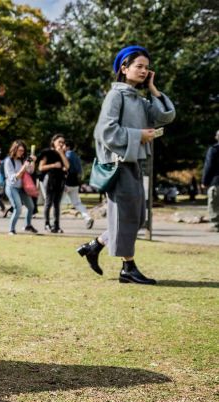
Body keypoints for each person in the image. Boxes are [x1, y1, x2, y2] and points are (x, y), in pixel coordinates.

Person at [76, 45, 175, 285]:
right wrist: (138, 135)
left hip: (133, 163)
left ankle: (94, 245)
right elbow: (105, 131)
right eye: (138, 66)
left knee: (137, 216)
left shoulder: (140, 100)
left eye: (146, 68)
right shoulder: (115, 95)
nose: (143, 71)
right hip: (118, 165)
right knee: (127, 216)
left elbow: (166, 116)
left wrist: (153, 89)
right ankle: (127, 268)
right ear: (124, 68)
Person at [3, 140, 38, 235]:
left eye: (23, 151)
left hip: (22, 187)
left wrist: (32, 162)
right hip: (12, 187)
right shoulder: (8, 161)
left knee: (31, 207)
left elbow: (30, 171)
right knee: (18, 208)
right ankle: (11, 230)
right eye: (20, 150)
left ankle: (27, 225)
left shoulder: (23, 160)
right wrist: (24, 167)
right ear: (14, 149)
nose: (22, 152)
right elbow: (13, 178)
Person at [37, 134, 69, 233]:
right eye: (59, 141)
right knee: (48, 202)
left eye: (63, 142)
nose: (61, 144)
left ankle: (56, 226)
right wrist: (54, 165)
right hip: (49, 179)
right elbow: (41, 167)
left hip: (60, 180)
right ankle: (47, 224)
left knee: (57, 204)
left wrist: (61, 153)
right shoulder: (48, 152)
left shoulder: (62, 153)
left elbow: (67, 166)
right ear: (53, 142)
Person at [63, 140, 95, 229]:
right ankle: (88, 218)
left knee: (57, 202)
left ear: (67, 146)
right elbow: (80, 171)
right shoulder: (76, 156)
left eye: (63, 145)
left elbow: (66, 168)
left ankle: (54, 223)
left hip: (67, 182)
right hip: (75, 182)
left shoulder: (67, 155)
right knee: (77, 203)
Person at [202, 129, 219, 232]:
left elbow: (209, 166)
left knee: (214, 204)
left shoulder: (214, 150)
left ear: (217, 137)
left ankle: (215, 225)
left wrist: (205, 181)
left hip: (216, 181)